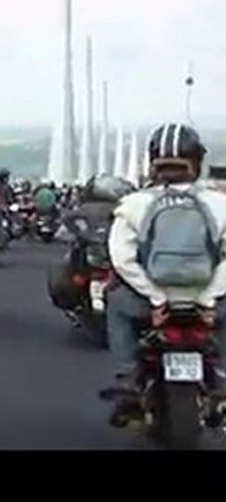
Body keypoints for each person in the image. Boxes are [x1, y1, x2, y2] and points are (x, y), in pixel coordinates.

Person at [105, 122, 226, 424]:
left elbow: (122, 260)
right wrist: (209, 300)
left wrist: (156, 298)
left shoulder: (133, 205)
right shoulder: (219, 204)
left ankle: (127, 374)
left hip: (149, 304)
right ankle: (222, 374)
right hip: (206, 301)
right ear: (197, 161)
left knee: (115, 302)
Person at [46, 175, 135, 314]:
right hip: (114, 262)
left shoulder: (80, 211)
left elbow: (62, 233)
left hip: (93, 263)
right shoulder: (127, 210)